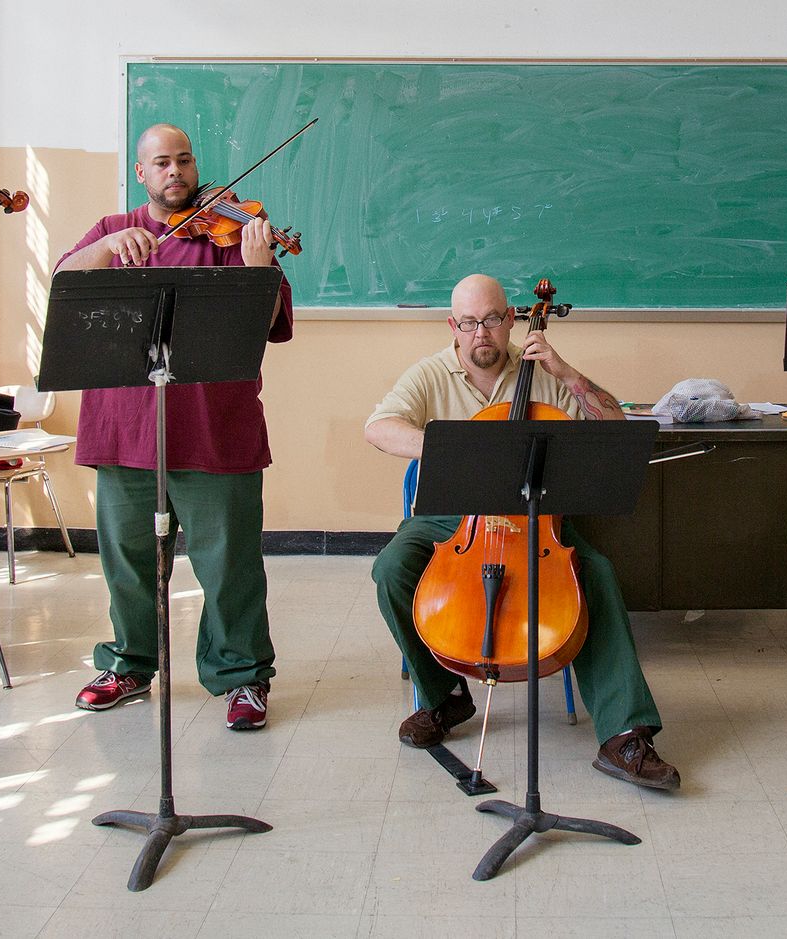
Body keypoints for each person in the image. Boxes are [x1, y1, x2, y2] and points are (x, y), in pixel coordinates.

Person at [365, 274, 679, 790]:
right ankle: (446, 698)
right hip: (454, 517)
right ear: (453, 327)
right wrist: (452, 452)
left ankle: (624, 734)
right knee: (391, 568)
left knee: (594, 572)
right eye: (468, 323)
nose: (480, 333)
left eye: (491, 319)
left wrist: (566, 371)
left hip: (537, 517)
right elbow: (378, 427)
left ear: (511, 319)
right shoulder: (430, 373)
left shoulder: (543, 372)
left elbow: (615, 425)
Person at [56, 124, 293, 730]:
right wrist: (108, 249)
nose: (175, 172)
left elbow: (265, 327)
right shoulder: (113, 230)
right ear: (142, 173)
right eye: (161, 163)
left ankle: (241, 677)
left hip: (217, 430)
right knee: (128, 561)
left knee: (229, 563)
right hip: (124, 432)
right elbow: (64, 279)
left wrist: (259, 269)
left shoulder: (234, 233)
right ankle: (130, 664)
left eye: (184, 160)